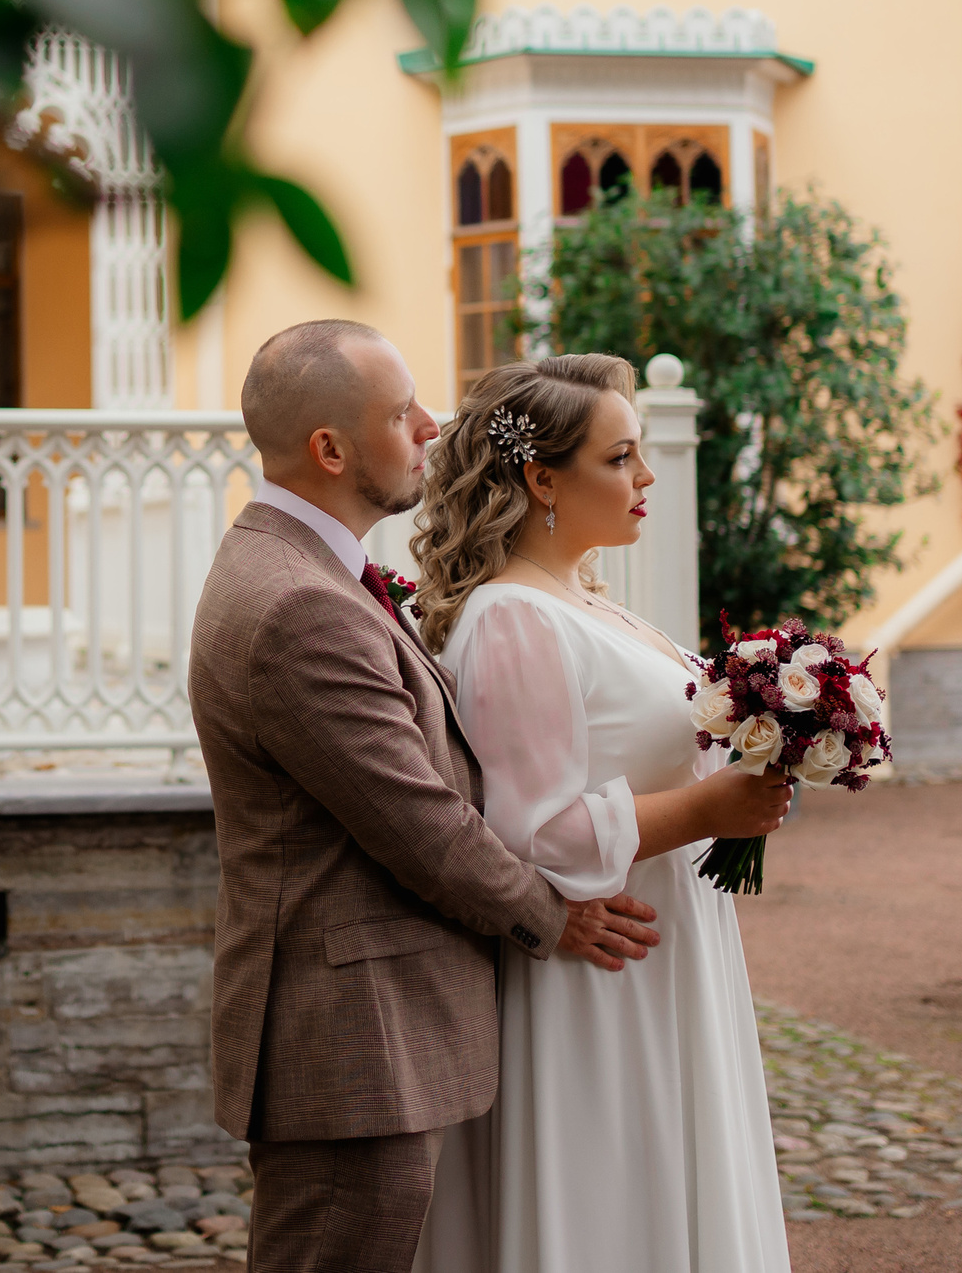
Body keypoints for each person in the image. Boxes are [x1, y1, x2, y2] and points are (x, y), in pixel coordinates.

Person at [190, 322, 775, 1273]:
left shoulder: (312, 576)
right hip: (352, 1029)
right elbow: (423, 822)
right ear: (330, 449)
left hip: (390, 1014)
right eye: (399, 411)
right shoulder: (299, 600)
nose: (431, 425)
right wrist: (556, 914)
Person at [410, 354, 795, 1273]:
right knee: (614, 1211)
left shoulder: (584, 601)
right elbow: (533, 832)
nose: (646, 476)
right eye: (620, 457)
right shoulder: (513, 620)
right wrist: (712, 807)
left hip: (664, 953)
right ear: (542, 477)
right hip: (597, 976)